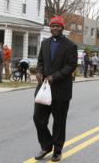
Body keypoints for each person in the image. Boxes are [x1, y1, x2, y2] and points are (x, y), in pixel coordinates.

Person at [33, 16, 77, 162]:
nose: (55, 28)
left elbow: (71, 66)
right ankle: (46, 146)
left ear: (62, 28)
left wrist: (54, 77)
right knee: (38, 119)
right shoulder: (44, 43)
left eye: (58, 26)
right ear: (50, 28)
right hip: (43, 89)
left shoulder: (70, 46)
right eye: (52, 26)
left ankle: (57, 151)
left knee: (59, 122)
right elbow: (40, 61)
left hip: (61, 91)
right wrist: (38, 72)